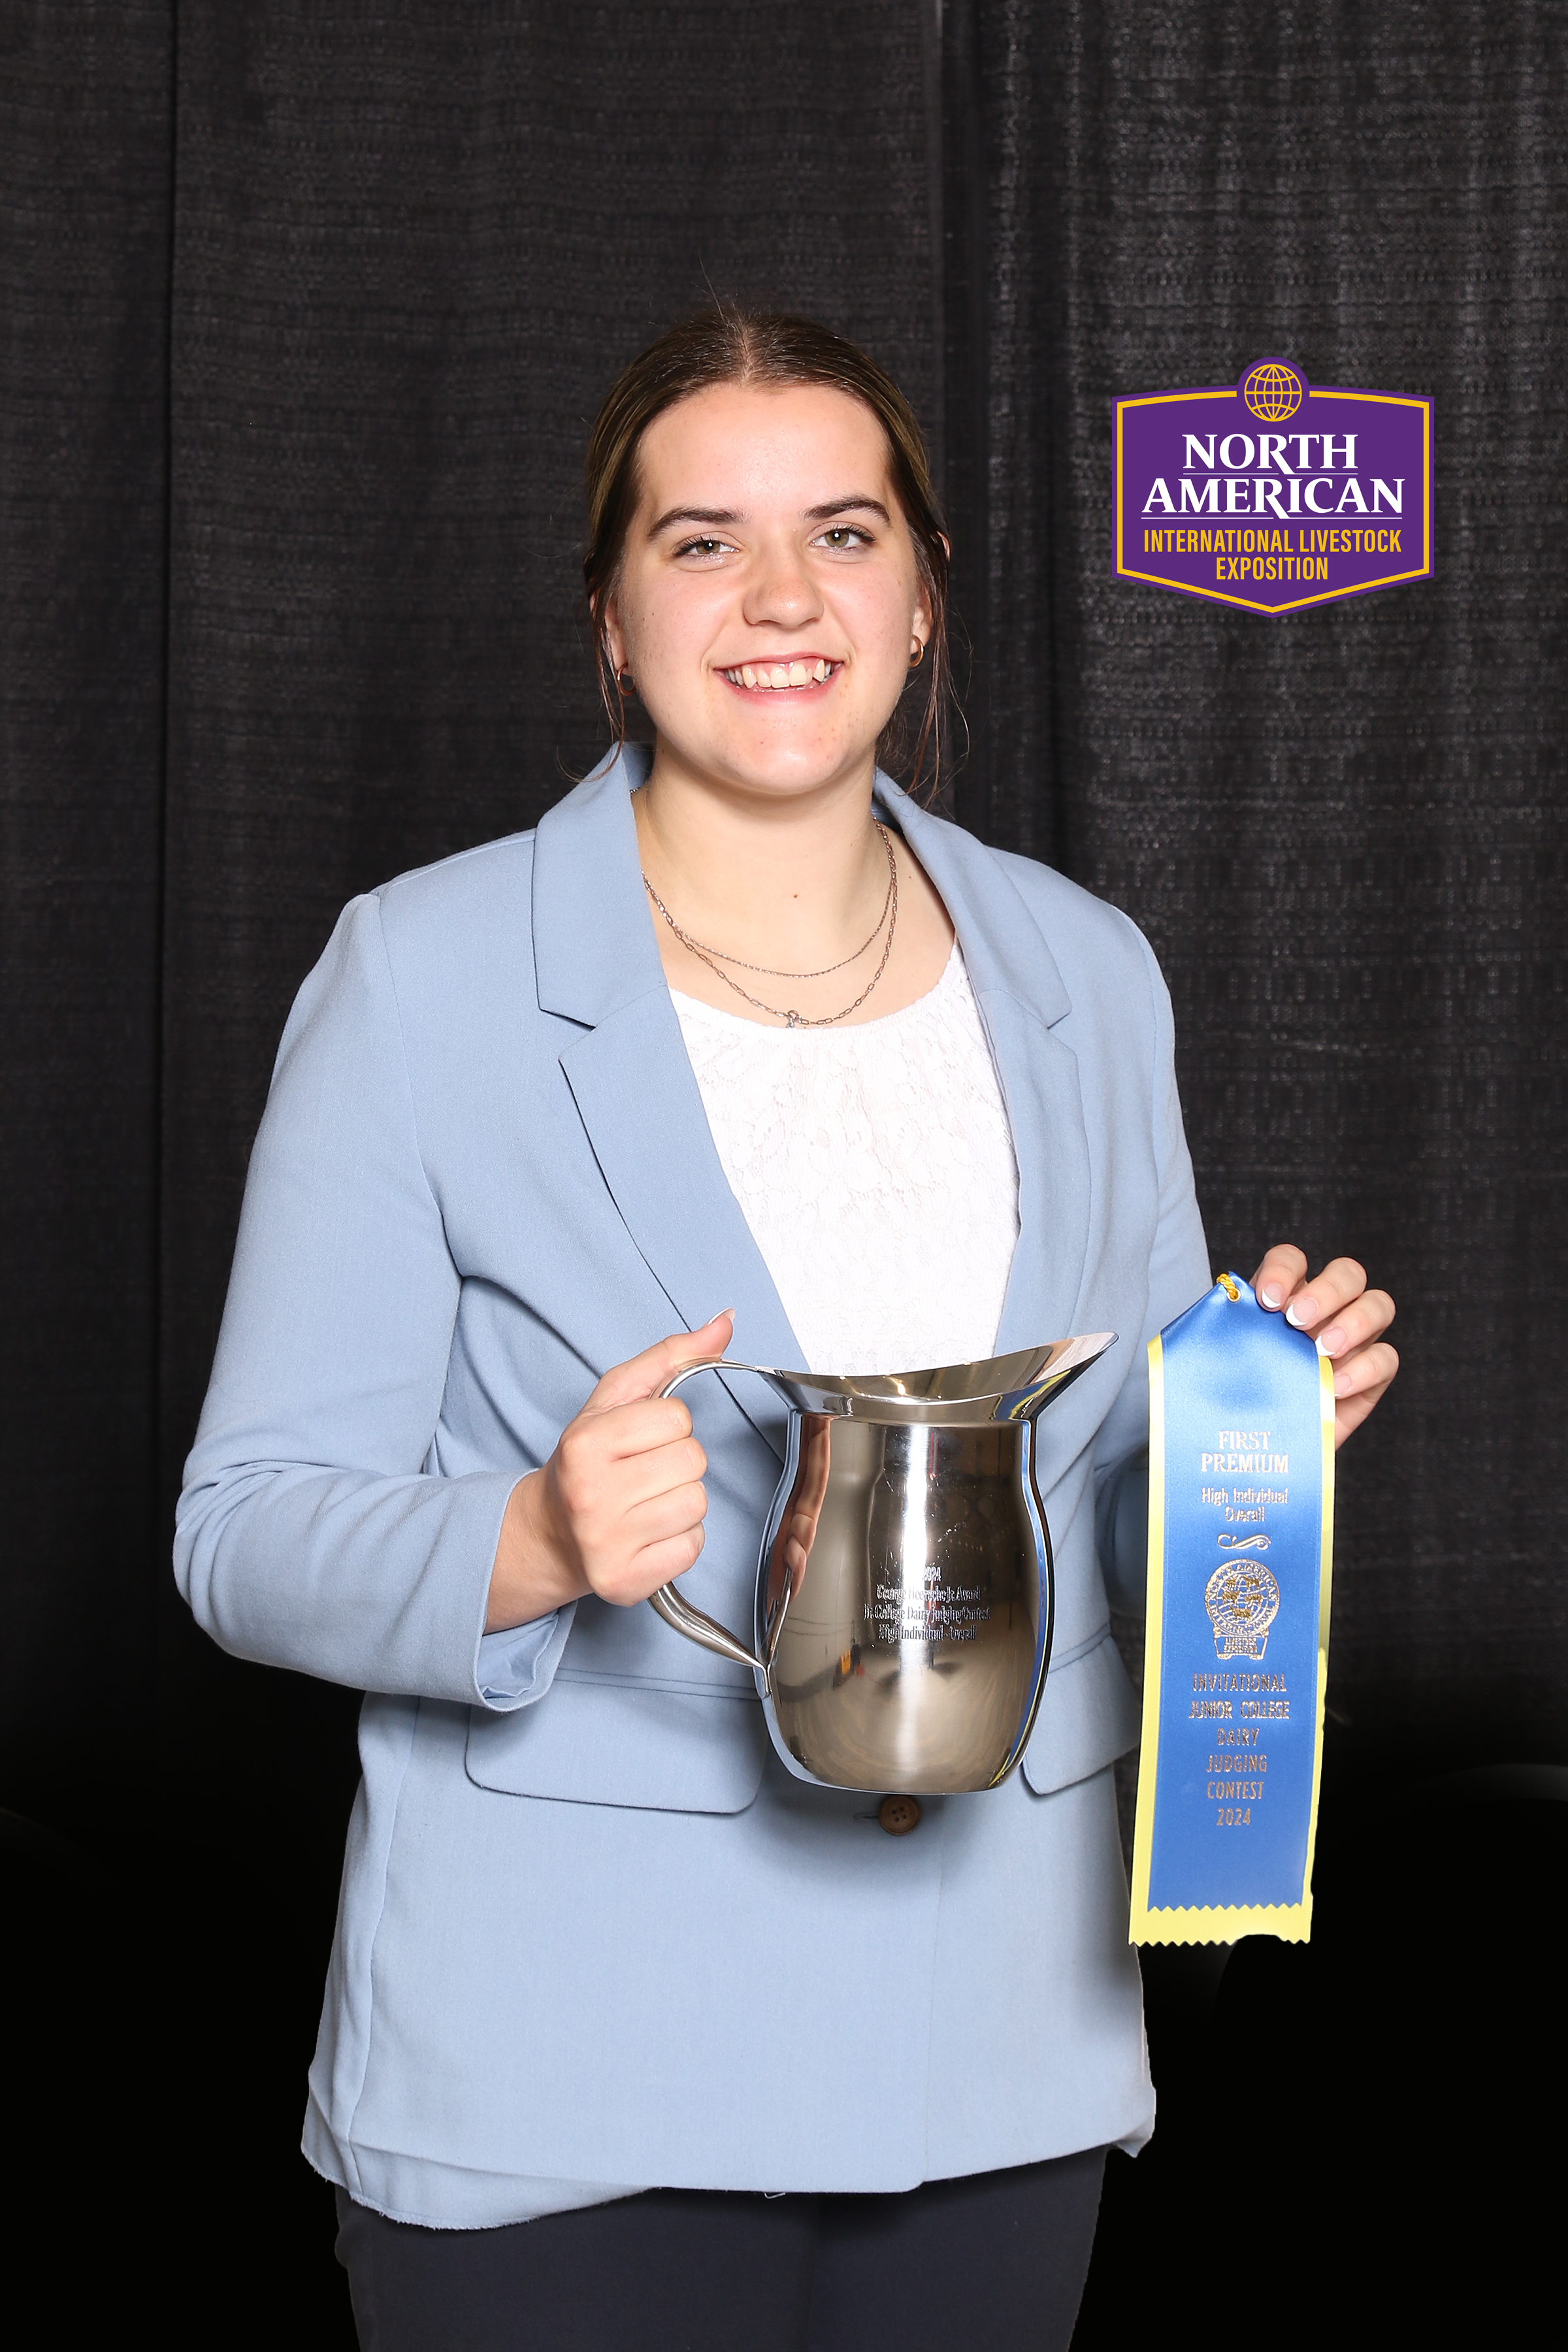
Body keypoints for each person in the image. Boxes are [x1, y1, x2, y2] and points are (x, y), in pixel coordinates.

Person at [174, 308, 1397, 2350]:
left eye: (841, 534)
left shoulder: (1090, 975)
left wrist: (1239, 1454)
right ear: (608, 614)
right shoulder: (422, 980)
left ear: (921, 597)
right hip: (568, 2085)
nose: (778, 599)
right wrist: (536, 1545)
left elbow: (1091, 1544)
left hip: (1004, 2067)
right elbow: (244, 1527)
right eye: (699, 542)